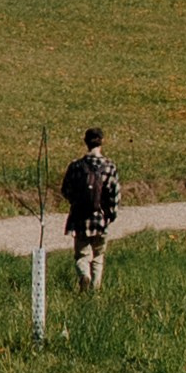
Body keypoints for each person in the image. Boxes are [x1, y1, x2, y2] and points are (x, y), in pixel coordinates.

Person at [61, 125, 120, 291]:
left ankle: (83, 275)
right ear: (102, 142)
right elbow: (114, 195)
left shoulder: (76, 166)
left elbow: (66, 190)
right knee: (98, 256)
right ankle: (95, 289)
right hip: (100, 218)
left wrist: (75, 203)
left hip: (80, 217)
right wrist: (111, 215)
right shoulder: (109, 166)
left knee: (82, 255)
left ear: (85, 142)